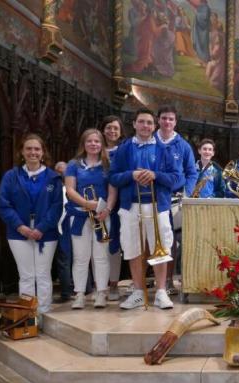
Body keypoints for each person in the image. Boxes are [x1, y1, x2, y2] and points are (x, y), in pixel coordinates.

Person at [110, 108, 183, 310]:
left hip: (157, 206)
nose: (145, 126)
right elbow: (113, 177)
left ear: (155, 125)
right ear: (134, 124)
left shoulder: (164, 149)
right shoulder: (123, 149)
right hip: (130, 205)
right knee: (133, 249)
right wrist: (131, 175)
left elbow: (177, 179)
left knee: (161, 249)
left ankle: (160, 292)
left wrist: (155, 175)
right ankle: (138, 292)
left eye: (149, 123)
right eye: (141, 122)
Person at [0, 134, 63, 317]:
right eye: (28, 148)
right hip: (19, 232)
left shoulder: (53, 177)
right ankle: (27, 315)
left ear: (43, 153)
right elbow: (4, 205)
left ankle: (43, 314)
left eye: (37, 149)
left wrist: (41, 227)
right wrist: (21, 227)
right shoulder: (11, 176)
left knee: (42, 274)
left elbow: (56, 206)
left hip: (46, 232)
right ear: (22, 152)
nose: (33, 152)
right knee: (26, 275)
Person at [64, 129, 118, 309]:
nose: (93, 144)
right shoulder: (74, 164)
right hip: (80, 215)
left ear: (101, 144)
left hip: (102, 215)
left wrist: (107, 209)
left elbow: (112, 191)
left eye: (97, 141)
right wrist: (88, 204)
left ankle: (102, 293)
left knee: (101, 257)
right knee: (80, 257)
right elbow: (70, 190)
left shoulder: (107, 164)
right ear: (84, 144)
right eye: (90, 141)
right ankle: (79, 294)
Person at [154, 105, 198, 294]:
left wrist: (187, 192)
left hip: (173, 199)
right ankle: (151, 282)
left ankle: (168, 280)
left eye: (171, 119)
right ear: (158, 120)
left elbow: (191, 172)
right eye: (164, 118)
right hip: (151, 198)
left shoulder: (183, 145)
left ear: (175, 122)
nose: (167, 122)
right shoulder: (149, 141)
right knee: (148, 241)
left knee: (169, 241)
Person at [101, 115, 124, 301]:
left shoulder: (124, 149)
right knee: (98, 245)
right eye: (109, 127)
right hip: (97, 201)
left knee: (114, 245)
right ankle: (100, 285)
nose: (112, 131)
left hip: (120, 202)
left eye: (115, 128)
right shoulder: (95, 148)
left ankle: (114, 284)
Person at [53, 161, 73, 303]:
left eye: (63, 171)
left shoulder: (66, 188)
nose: (61, 173)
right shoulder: (57, 187)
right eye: (58, 171)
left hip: (64, 226)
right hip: (65, 225)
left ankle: (66, 293)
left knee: (65, 260)